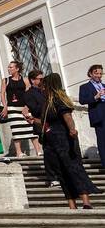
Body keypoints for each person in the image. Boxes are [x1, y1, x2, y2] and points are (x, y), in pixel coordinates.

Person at [41, 72, 98, 209]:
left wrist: (72, 130)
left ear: (50, 85)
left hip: (64, 140)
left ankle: (86, 202)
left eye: (44, 85)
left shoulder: (58, 100)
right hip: (52, 142)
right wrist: (34, 120)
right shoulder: (47, 103)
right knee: (61, 173)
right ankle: (71, 204)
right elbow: (49, 121)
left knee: (74, 168)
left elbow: (67, 117)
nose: (42, 87)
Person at [0, 60, 37, 157]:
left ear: (17, 69)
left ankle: (39, 151)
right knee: (16, 129)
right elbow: (2, 94)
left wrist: (27, 107)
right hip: (12, 108)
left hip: (24, 107)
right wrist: (5, 106)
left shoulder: (25, 80)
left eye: (11, 67)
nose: (9, 69)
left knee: (31, 128)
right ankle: (19, 152)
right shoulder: (6, 80)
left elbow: (29, 94)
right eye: (8, 67)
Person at [79, 64, 105, 175]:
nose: (99, 75)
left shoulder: (104, 85)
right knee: (103, 141)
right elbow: (82, 100)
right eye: (96, 73)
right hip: (99, 116)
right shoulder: (84, 87)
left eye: (100, 73)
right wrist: (95, 97)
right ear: (90, 74)